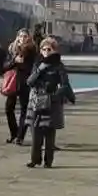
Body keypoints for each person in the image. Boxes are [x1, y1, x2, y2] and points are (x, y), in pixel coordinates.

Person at [26, 38, 74, 168]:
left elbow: (65, 84)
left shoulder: (59, 65)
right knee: (35, 132)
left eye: (49, 49)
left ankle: (48, 161)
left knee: (49, 134)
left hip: (51, 102)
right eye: (44, 49)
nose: (46, 51)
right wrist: (40, 69)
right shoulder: (38, 64)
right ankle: (35, 159)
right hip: (36, 101)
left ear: (54, 50)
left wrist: (55, 96)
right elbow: (29, 82)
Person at [3, 31, 37, 144]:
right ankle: (14, 133)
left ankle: (20, 136)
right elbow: (5, 66)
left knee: (24, 109)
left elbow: (32, 67)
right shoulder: (12, 50)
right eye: (21, 36)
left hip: (24, 83)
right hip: (13, 82)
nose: (22, 38)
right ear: (17, 37)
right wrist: (14, 61)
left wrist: (22, 64)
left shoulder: (32, 50)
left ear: (29, 38)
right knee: (8, 109)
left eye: (25, 36)